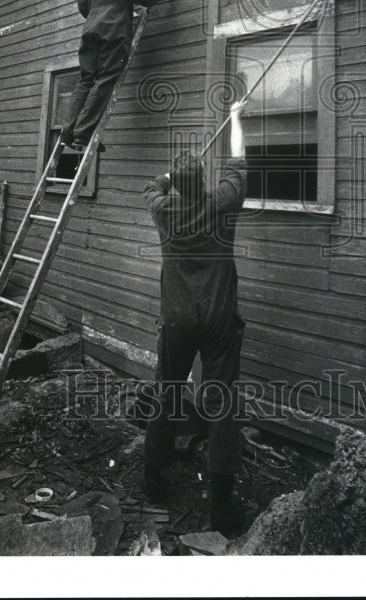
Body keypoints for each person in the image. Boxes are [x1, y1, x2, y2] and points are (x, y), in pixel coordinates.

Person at [141, 100, 249, 535]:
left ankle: (153, 480)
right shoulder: (222, 201)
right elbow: (240, 161)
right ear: (205, 182)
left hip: (179, 317)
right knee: (221, 399)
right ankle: (221, 504)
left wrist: (173, 175)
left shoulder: (164, 210)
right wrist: (237, 115)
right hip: (220, 316)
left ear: (176, 189)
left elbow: (152, 186)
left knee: (167, 390)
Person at [60, 0, 170, 151]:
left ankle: (68, 131)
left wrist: (103, 14)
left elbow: (83, 6)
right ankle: (83, 135)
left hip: (90, 30)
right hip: (114, 31)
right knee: (106, 78)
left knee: (86, 79)